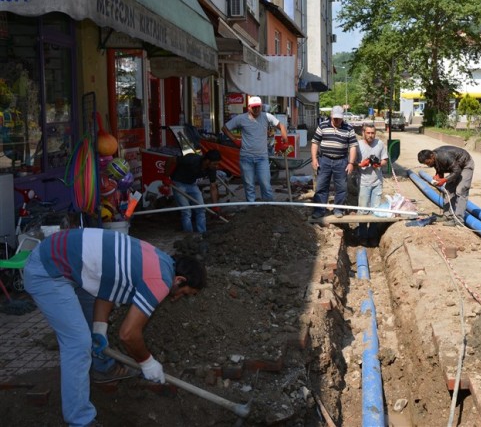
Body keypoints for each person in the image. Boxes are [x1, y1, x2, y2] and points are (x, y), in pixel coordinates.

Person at [23, 228, 207, 427]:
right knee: (78, 343)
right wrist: (147, 362)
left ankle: (102, 369)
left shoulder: (160, 259)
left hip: (69, 261)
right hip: (48, 270)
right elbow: (128, 334)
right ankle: (80, 421)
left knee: (89, 333)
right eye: (184, 293)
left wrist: (100, 328)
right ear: (179, 280)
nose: (179, 297)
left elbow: (108, 282)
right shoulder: (160, 281)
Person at [222, 96, 288, 202]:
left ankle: (269, 209)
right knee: (249, 185)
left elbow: (282, 126)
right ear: (249, 107)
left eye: (258, 107)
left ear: (261, 107)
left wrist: (285, 141)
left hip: (262, 157)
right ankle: (251, 209)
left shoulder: (266, 116)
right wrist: (234, 139)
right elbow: (225, 128)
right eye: (254, 107)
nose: (256, 109)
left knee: (265, 184)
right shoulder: (241, 118)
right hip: (246, 157)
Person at [311, 105, 358, 219]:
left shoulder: (349, 128)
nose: (337, 120)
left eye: (339, 118)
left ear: (342, 117)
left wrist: (351, 163)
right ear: (331, 116)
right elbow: (315, 142)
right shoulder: (322, 126)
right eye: (335, 118)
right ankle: (319, 210)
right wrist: (314, 159)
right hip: (324, 160)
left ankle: (338, 209)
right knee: (321, 186)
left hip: (341, 161)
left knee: (341, 187)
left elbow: (352, 146)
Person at [165, 149, 222, 233]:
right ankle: (189, 235)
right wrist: (166, 176)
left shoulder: (211, 169)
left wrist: (215, 206)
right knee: (186, 210)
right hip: (178, 183)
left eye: (217, 164)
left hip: (192, 184)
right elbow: (171, 160)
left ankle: (202, 233)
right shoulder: (192, 159)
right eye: (215, 164)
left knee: (201, 209)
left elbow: (213, 187)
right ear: (207, 161)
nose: (216, 166)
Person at [417, 146, 475, 226]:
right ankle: (447, 216)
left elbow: (457, 170)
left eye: (428, 162)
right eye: (425, 164)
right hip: (455, 168)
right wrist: (437, 177)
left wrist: (444, 180)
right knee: (447, 190)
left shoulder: (444, 156)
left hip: (465, 165)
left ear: (431, 156)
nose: (427, 165)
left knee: (461, 190)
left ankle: (458, 220)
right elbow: (440, 169)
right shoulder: (434, 158)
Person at [354, 124, 388, 243]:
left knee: (375, 210)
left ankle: (373, 235)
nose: (371, 135)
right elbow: (351, 162)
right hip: (363, 182)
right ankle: (362, 236)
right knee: (363, 210)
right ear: (363, 133)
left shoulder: (379, 144)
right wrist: (360, 164)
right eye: (368, 133)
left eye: (372, 133)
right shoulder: (358, 145)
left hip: (377, 182)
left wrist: (379, 164)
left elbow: (385, 160)